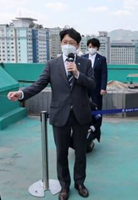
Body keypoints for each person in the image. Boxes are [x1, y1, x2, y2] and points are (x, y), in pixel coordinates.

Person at [7, 28, 96, 200]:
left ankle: (79, 183)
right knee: (61, 153)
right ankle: (64, 186)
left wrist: (77, 73)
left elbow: (92, 84)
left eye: (71, 43)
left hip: (80, 114)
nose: (68, 45)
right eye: (65, 42)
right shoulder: (52, 64)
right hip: (60, 114)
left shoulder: (85, 64)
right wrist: (22, 93)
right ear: (61, 44)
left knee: (80, 152)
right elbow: (39, 84)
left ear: (77, 46)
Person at [82, 38, 107, 133]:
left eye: (93, 47)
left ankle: (97, 127)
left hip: (97, 88)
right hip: (85, 86)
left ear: (97, 48)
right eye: (89, 46)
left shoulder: (102, 59)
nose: (91, 48)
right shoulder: (83, 57)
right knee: (84, 105)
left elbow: (104, 74)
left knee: (97, 107)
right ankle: (87, 125)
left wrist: (103, 88)